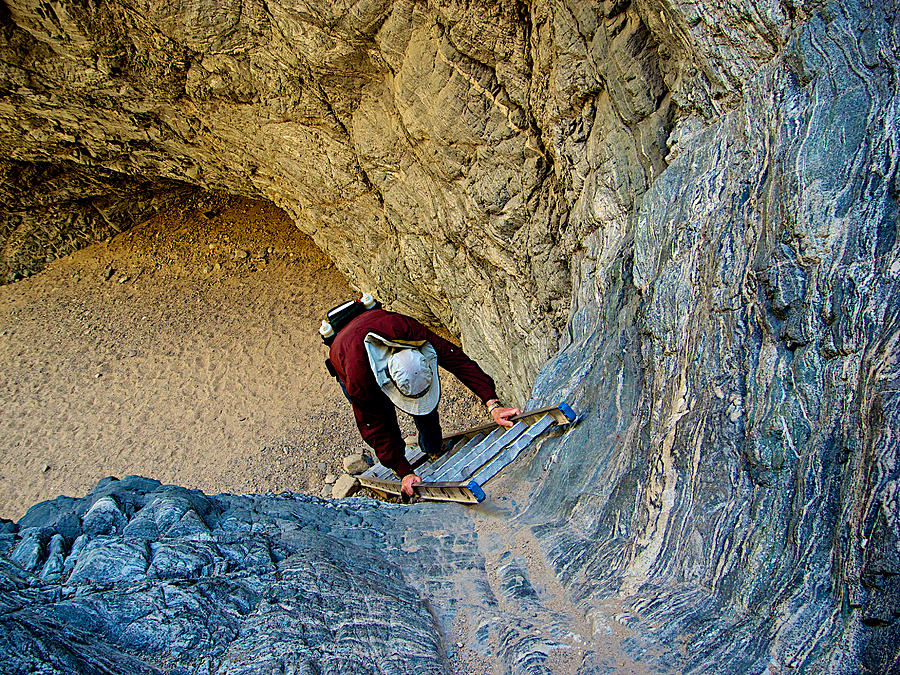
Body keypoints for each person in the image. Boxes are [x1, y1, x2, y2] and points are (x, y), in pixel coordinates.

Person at [324, 302, 521, 496]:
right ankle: (421, 448)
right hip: (349, 357)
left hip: (378, 332)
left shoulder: (411, 333)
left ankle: (432, 446)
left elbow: (456, 359)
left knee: (423, 401)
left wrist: (492, 403)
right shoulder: (359, 379)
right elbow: (373, 425)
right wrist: (404, 471)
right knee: (383, 413)